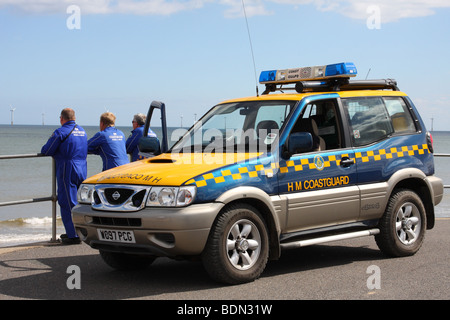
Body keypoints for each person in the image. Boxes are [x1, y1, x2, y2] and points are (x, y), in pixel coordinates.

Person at [41, 108, 87, 245]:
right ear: (74, 118)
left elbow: (47, 150)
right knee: (80, 201)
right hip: (82, 167)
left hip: (68, 168)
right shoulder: (82, 131)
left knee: (66, 201)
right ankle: (82, 230)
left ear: (62, 118)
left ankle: (73, 235)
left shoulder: (60, 132)